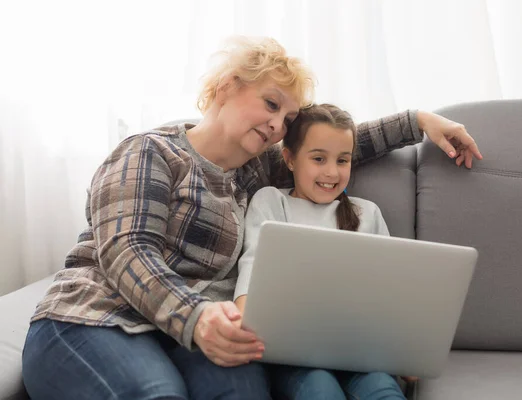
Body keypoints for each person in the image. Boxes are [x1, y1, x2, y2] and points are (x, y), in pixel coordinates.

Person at [21, 36, 482, 400]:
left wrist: (421, 120)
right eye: (271, 103)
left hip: (191, 333)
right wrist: (197, 318)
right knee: (155, 394)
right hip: (98, 318)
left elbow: (333, 148)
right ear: (226, 87)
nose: (279, 124)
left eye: (288, 116)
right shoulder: (151, 152)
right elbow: (127, 250)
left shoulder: (254, 170)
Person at [234, 103, 412, 400]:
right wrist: (244, 328)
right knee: (320, 391)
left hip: (361, 352)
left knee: (383, 391)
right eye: (318, 158)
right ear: (289, 159)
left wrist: (407, 352)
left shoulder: (366, 213)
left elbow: (390, 293)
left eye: (343, 161)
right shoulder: (271, 202)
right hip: (295, 355)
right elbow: (253, 268)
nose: (332, 172)